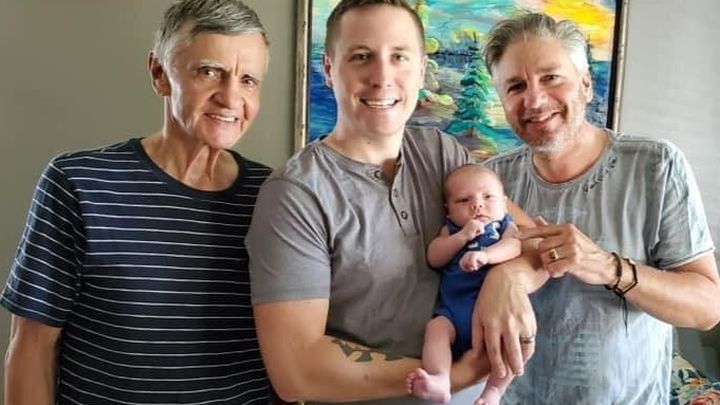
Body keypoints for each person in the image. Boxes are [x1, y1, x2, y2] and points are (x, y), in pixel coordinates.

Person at [246, 1, 537, 404]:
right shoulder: (296, 193)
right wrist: (456, 375)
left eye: (399, 57)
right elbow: (298, 370)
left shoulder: (443, 154)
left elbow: (532, 240)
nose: (382, 77)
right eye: (361, 56)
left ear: (421, 69)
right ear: (329, 69)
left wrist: (508, 280)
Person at [1, 1, 274, 403]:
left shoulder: (275, 196)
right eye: (209, 72)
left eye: (248, 80)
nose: (231, 98)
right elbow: (31, 347)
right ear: (159, 74)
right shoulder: (78, 183)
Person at [477, 12, 720, 404]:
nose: (534, 100)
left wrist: (608, 267)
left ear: (586, 84)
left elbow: (707, 308)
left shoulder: (656, 166)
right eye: (516, 86)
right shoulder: (488, 183)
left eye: (551, 77)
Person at [406, 164, 521, 405]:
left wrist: (486, 256)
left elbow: (514, 247)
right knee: (436, 329)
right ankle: (440, 379)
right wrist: (462, 237)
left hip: (497, 312)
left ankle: (494, 390)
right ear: (448, 211)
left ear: (504, 203)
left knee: (513, 341)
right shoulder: (451, 230)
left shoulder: (504, 227)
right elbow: (434, 257)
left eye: (488, 197)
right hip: (454, 313)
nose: (477, 205)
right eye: (463, 200)